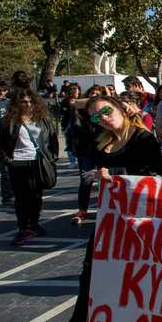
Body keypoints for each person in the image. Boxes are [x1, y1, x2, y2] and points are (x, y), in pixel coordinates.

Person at [24, 94, 162, 322]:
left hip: (141, 223)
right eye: (95, 116)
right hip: (109, 220)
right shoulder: (102, 143)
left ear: (120, 109)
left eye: (106, 110)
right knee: (89, 275)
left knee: (144, 278)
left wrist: (117, 176)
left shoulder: (143, 138)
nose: (102, 117)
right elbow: (78, 107)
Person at [0, 89, 58, 245]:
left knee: (36, 195)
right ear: (18, 103)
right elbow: (1, 143)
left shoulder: (43, 119)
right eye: (24, 102)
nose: (28, 105)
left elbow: (52, 139)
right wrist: (7, 160)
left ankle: (34, 223)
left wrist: (52, 158)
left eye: (31, 101)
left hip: (38, 160)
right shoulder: (8, 120)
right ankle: (23, 227)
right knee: (21, 197)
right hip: (17, 161)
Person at [67, 85, 105, 224]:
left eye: (97, 93)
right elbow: (75, 128)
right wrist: (95, 136)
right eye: (92, 92)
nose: (94, 95)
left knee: (105, 180)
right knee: (86, 180)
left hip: (102, 149)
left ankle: (105, 209)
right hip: (85, 150)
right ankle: (82, 209)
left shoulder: (105, 110)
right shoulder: (78, 110)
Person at [0, 81, 14, 207]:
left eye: (3, 90)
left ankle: (8, 197)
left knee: (6, 170)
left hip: (4, 140)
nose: (1, 93)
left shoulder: (8, 103)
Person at [59, 83, 82, 168]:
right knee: (69, 142)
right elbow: (62, 111)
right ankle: (72, 161)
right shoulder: (65, 101)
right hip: (68, 123)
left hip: (80, 123)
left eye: (75, 89)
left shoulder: (82, 99)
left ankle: (80, 159)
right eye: (71, 89)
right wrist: (70, 106)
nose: (73, 91)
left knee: (80, 142)